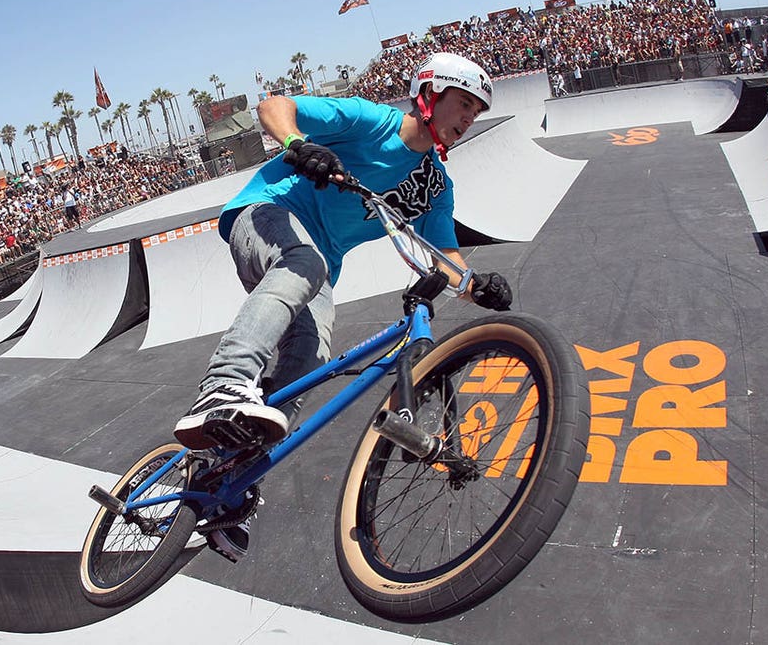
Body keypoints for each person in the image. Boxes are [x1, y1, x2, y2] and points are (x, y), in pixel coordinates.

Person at [172, 52, 513, 561]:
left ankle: (229, 478)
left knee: (311, 359)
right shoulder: (370, 122)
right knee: (305, 264)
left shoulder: (435, 186)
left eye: (476, 112)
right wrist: (298, 145)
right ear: (430, 95)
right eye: (463, 104)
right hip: (268, 215)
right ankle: (224, 382)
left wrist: (475, 284)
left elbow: (443, 258)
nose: (468, 118)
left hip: (316, 269)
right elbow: (274, 106)